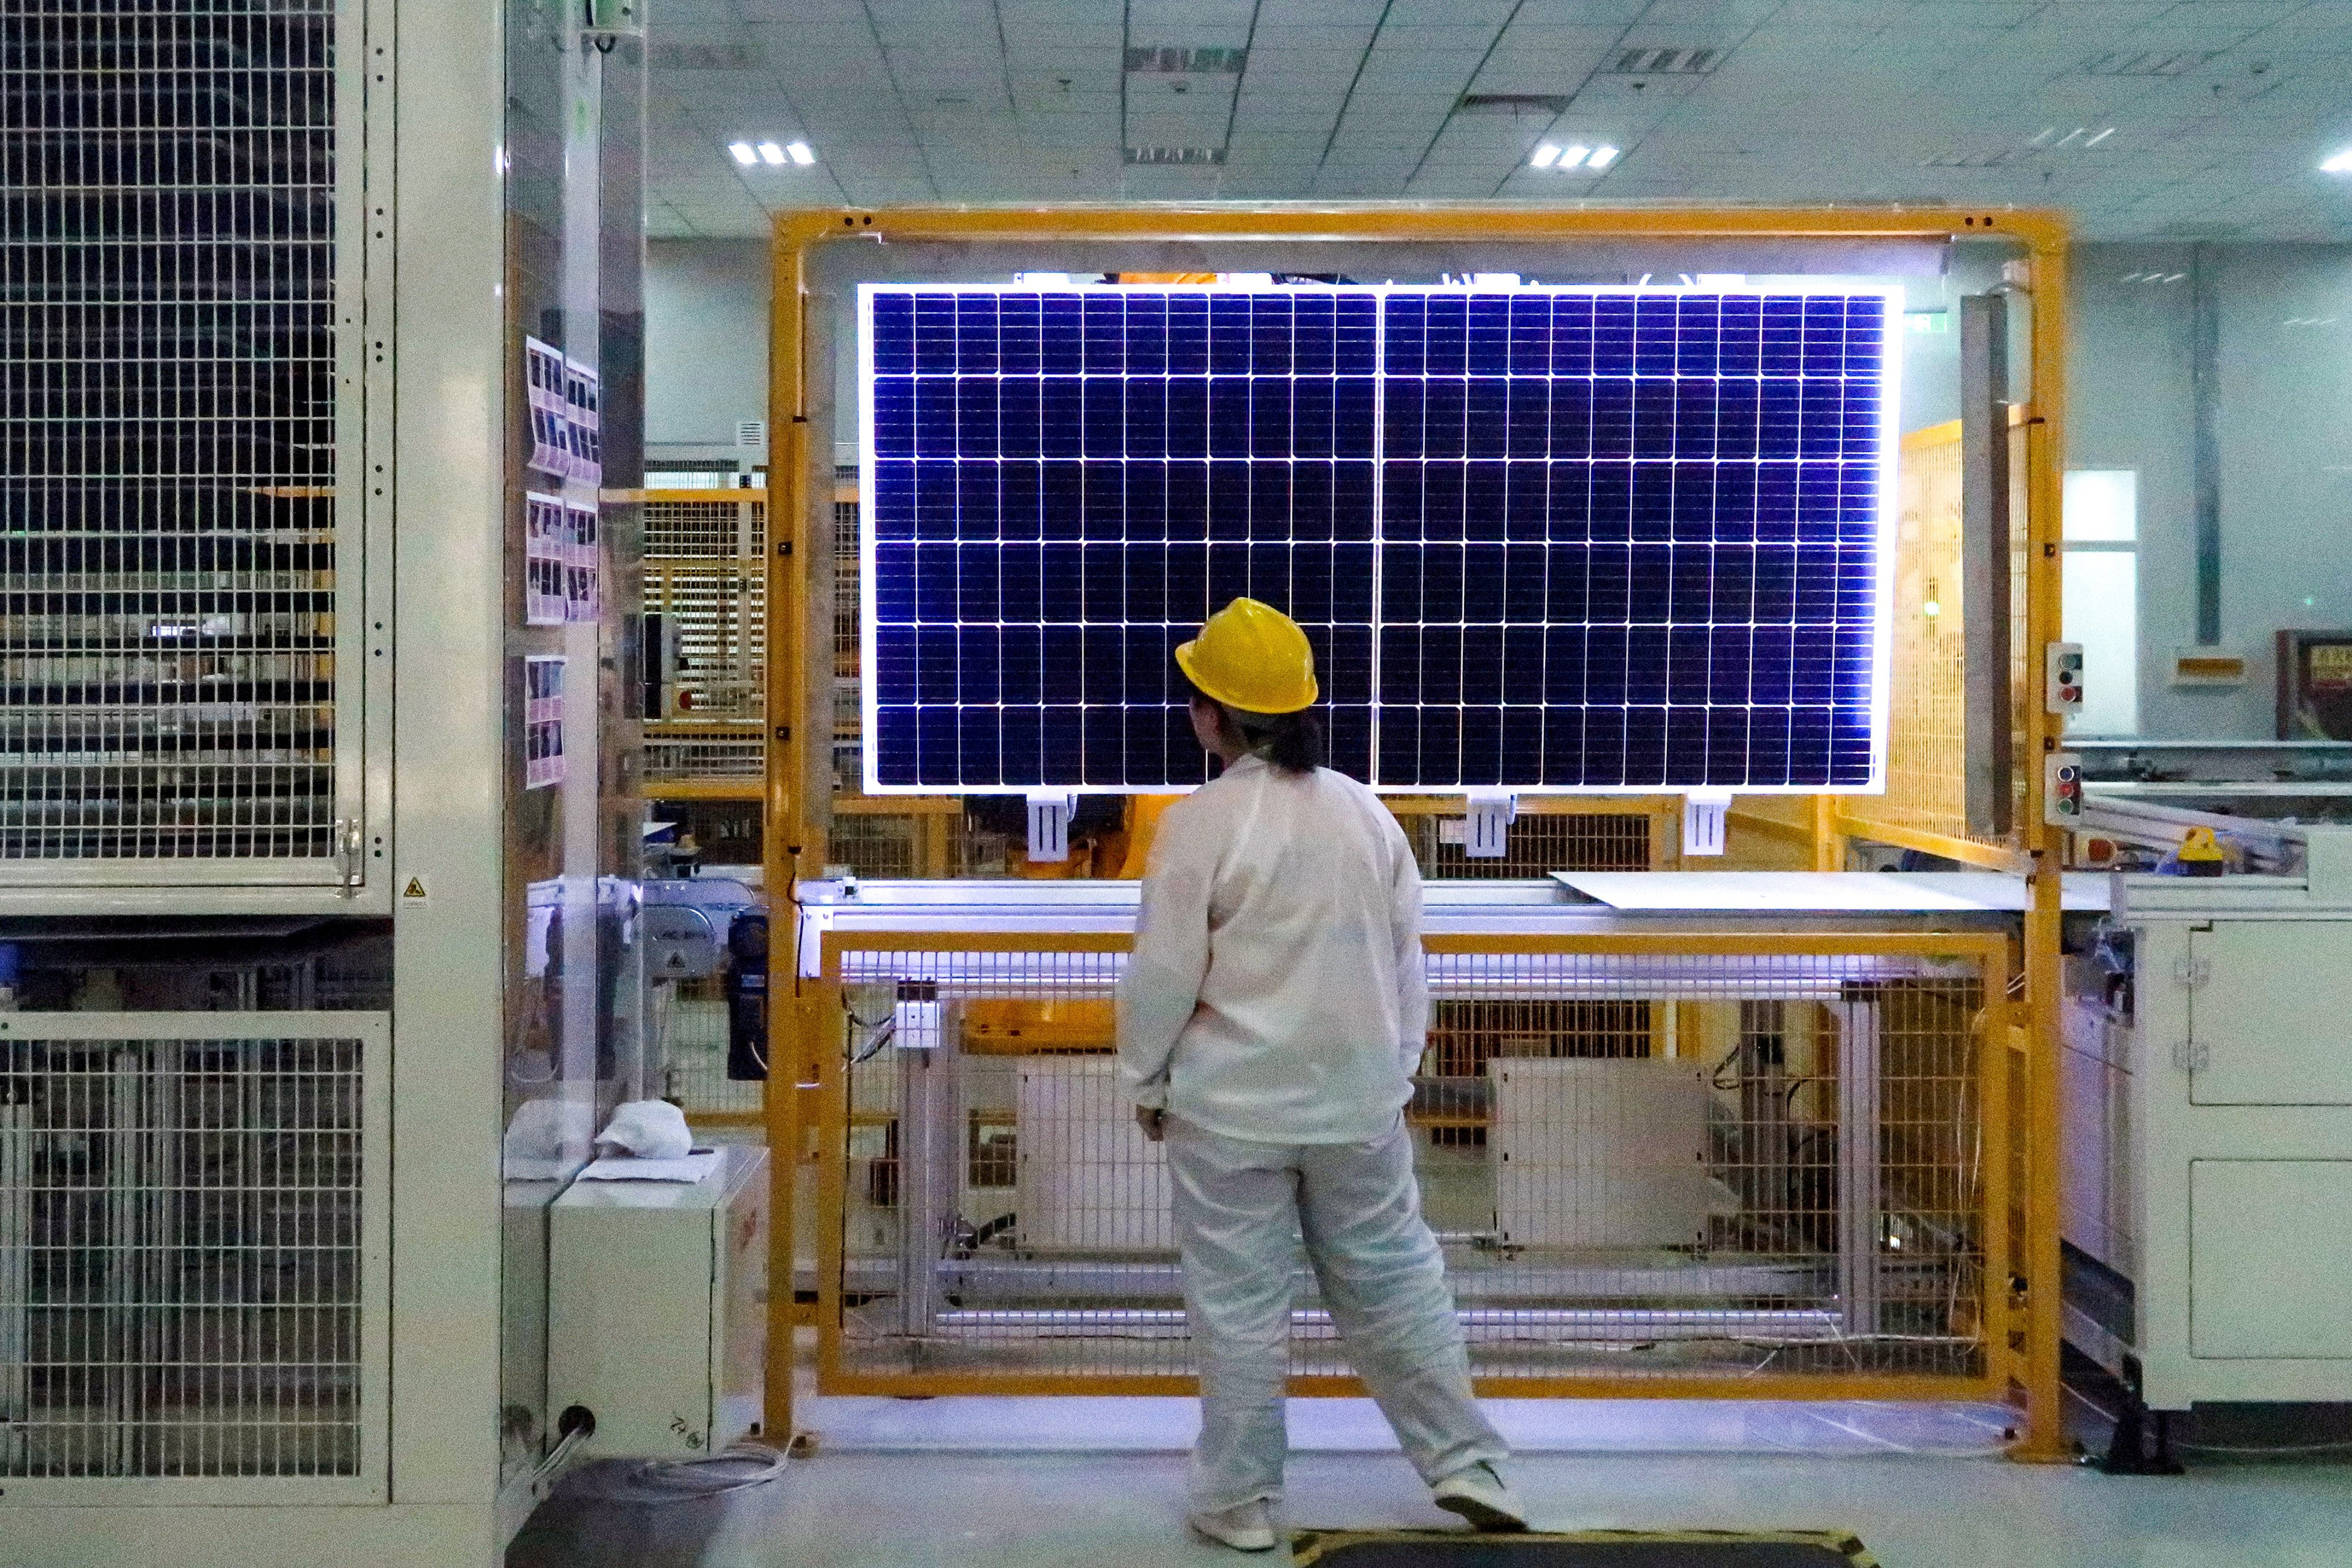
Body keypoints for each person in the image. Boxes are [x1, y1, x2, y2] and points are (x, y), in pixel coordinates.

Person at [1117, 598, 1526, 1553]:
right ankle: (1468, 1462)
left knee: (1241, 1308)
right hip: (1358, 1109)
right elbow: (1405, 960)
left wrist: (1144, 1079)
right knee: (1397, 1287)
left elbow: (1164, 973)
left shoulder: (1198, 824)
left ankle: (1240, 1500)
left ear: (1211, 715)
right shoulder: (1365, 814)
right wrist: (1394, 1073)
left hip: (1229, 1116)